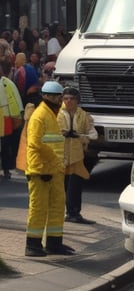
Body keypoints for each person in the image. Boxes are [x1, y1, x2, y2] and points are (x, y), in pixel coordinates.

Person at [24, 80, 75, 257]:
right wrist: (54, 161)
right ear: (45, 96)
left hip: (54, 170)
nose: (58, 99)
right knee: (38, 208)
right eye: (54, 96)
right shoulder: (40, 116)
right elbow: (35, 143)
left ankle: (54, 242)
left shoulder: (53, 114)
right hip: (41, 170)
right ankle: (33, 244)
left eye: (59, 96)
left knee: (57, 206)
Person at [58, 86, 97, 224]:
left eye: (72, 99)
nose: (68, 101)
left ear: (77, 101)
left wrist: (80, 136)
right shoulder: (57, 114)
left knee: (74, 185)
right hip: (60, 156)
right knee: (60, 185)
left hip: (77, 157)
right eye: (66, 98)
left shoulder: (84, 116)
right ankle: (60, 213)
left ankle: (73, 213)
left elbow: (93, 134)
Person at [0, 58, 24, 179]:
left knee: (5, 145)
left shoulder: (7, 83)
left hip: (5, 119)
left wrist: (16, 116)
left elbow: (15, 100)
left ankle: (6, 169)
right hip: (5, 118)